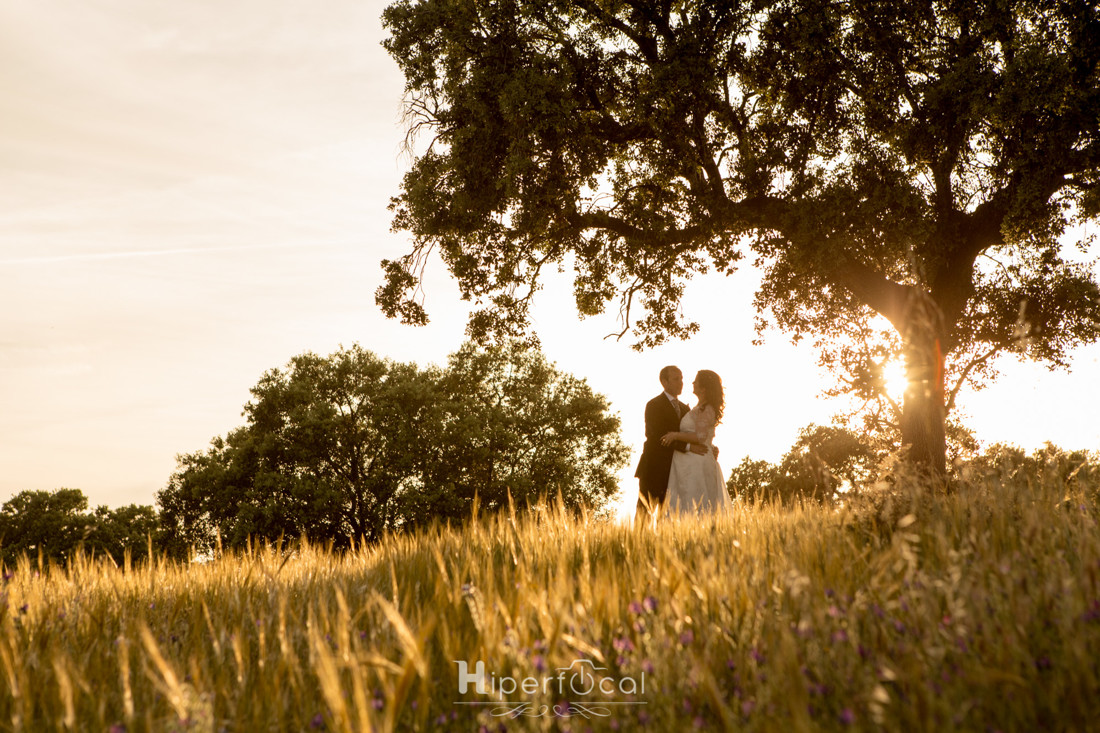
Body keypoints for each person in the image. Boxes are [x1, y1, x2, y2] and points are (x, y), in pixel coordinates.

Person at [634, 366, 712, 529]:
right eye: (676, 379)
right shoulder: (654, 405)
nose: (681, 383)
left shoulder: (685, 409)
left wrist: (709, 447)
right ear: (664, 382)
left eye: (682, 378)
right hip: (654, 469)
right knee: (644, 517)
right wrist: (689, 446)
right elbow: (658, 437)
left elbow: (694, 432)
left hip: (677, 471)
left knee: (670, 518)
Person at [661, 370, 732, 517]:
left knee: (697, 504)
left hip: (697, 463)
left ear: (704, 388)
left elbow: (700, 436)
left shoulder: (707, 409)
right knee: (685, 504)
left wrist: (675, 435)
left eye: (696, 381)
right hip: (688, 462)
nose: (692, 383)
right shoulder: (697, 408)